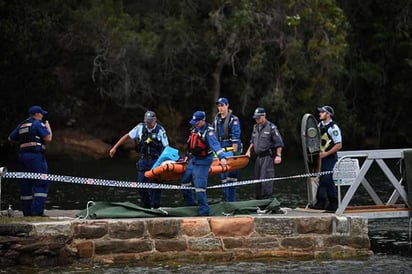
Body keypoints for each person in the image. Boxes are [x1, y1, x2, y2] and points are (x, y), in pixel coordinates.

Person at [109, 110, 169, 209]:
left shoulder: (160, 130)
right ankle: (146, 207)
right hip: (143, 161)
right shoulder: (140, 127)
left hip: (156, 161)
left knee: (155, 186)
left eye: (150, 122)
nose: (148, 124)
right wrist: (114, 147)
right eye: (147, 122)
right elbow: (127, 136)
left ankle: (156, 206)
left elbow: (166, 147)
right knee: (142, 186)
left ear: (155, 120)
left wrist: (164, 162)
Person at [181, 111, 228, 216]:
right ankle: (191, 206)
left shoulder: (209, 132)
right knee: (185, 182)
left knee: (199, 187)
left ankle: (204, 211)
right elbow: (191, 145)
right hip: (194, 159)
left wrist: (222, 157)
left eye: (197, 122)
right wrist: (187, 156)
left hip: (204, 160)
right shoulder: (194, 129)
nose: (195, 124)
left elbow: (215, 145)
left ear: (203, 120)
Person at [8, 105, 52, 216]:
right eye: (41, 114)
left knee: (25, 184)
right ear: (37, 114)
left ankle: (27, 212)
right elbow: (48, 138)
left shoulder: (22, 125)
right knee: (41, 183)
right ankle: (37, 212)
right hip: (36, 157)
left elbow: (10, 138)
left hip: (23, 156)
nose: (42, 116)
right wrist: (48, 127)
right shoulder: (38, 123)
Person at [245, 107, 284, 200]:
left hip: (267, 156)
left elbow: (279, 143)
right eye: (256, 117)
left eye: (259, 117)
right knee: (257, 180)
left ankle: (267, 201)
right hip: (258, 157)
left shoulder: (271, 127)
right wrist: (248, 151)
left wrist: (278, 155)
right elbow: (253, 141)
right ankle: (259, 201)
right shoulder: (255, 127)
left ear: (264, 116)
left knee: (266, 179)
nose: (257, 119)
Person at [312, 105, 342, 211]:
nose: (320, 114)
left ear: (328, 114)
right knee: (328, 180)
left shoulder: (333, 128)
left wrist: (326, 153)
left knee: (325, 179)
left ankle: (321, 201)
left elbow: (339, 145)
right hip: (321, 157)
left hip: (330, 158)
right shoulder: (320, 125)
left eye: (322, 112)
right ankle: (333, 203)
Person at [213, 97, 241, 202]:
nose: (220, 108)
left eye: (222, 105)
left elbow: (235, 137)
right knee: (223, 178)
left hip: (230, 151)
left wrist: (234, 154)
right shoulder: (216, 120)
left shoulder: (233, 120)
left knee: (231, 178)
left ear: (227, 105)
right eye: (219, 106)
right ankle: (226, 201)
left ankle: (231, 202)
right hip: (220, 151)